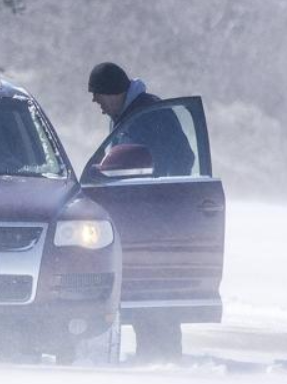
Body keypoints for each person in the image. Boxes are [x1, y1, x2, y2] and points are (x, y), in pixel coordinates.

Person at [87, 61, 191, 362]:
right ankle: (152, 357)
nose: (96, 103)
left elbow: (183, 158)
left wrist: (156, 192)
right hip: (137, 215)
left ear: (114, 92)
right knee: (142, 290)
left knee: (156, 292)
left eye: (98, 95)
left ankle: (165, 360)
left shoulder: (150, 115)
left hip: (159, 218)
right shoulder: (129, 114)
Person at [88, 61, 194, 178]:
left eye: (96, 93)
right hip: (127, 193)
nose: (94, 99)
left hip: (152, 193)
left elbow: (184, 156)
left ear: (111, 92)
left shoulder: (153, 114)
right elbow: (119, 164)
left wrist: (169, 190)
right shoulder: (120, 117)